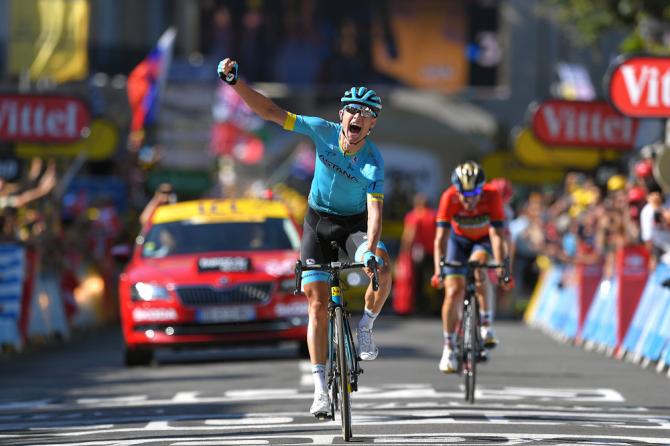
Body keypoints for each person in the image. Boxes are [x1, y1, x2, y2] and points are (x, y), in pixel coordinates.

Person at [217, 58, 392, 418]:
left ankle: (366, 327)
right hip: (317, 223)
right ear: (342, 115)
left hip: (354, 226)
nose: (357, 117)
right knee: (316, 304)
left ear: (372, 124)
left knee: (384, 268)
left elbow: (375, 213)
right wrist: (235, 84)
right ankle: (319, 391)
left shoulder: (373, 162)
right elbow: (270, 111)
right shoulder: (320, 130)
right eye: (352, 110)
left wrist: (370, 251)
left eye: (366, 113)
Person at [430, 161, 511, 373]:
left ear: (482, 188)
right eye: (464, 194)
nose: (469, 199)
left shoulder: (492, 195)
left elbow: (497, 235)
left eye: (475, 193)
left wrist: (502, 265)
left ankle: (485, 326)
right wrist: (438, 270)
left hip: (483, 240)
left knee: (479, 267)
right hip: (458, 241)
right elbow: (441, 238)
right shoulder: (449, 197)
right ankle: (448, 348)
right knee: (453, 291)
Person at [398, 192, 437, 315]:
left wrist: (403, 253)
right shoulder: (433, 215)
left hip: (418, 252)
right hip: (433, 252)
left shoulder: (414, 216)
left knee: (417, 280)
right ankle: (434, 305)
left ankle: (418, 304)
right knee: (432, 278)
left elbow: (410, 236)